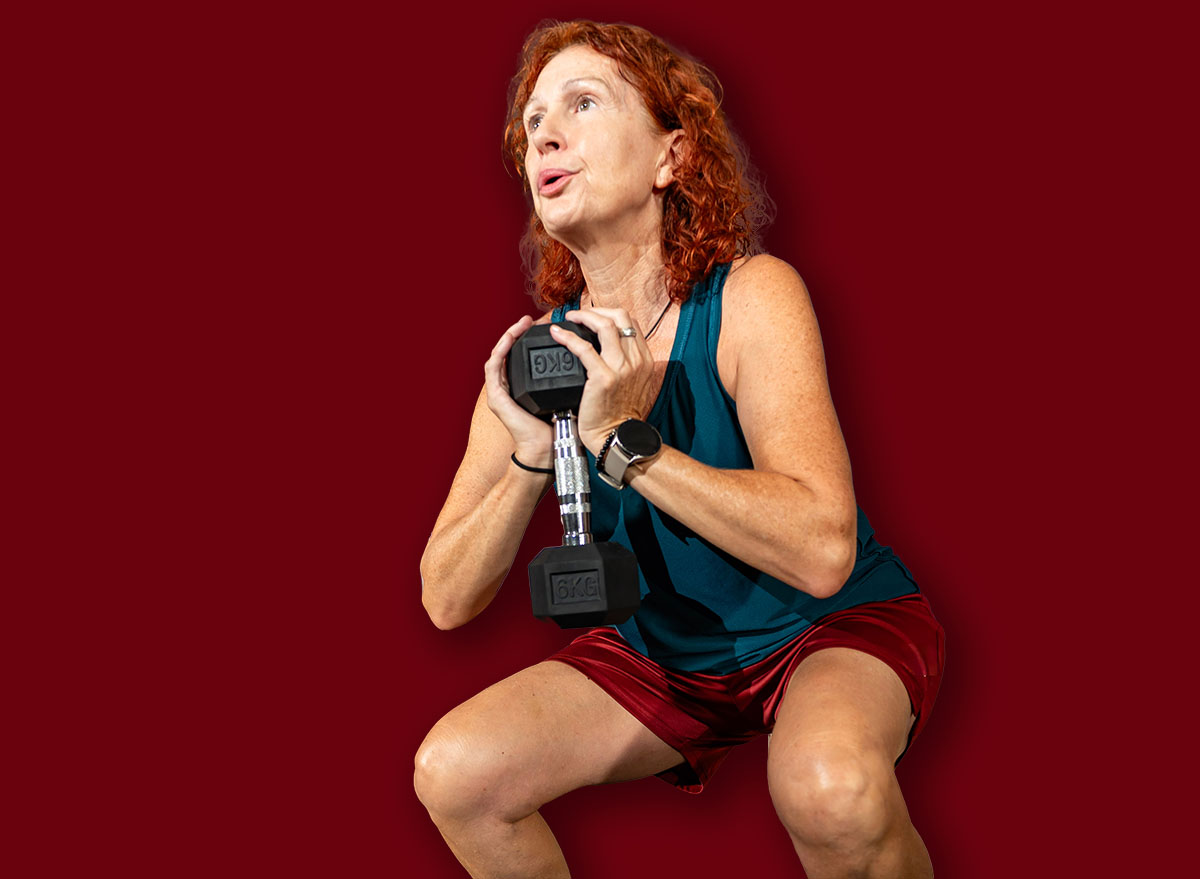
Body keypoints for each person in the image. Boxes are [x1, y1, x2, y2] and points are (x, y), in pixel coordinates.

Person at [415, 19, 945, 879]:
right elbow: (445, 597)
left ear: (672, 157)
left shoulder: (752, 298)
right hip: (660, 658)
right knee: (456, 773)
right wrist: (527, 458)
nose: (543, 133)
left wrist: (625, 444)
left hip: (822, 629)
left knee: (829, 787)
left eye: (582, 104)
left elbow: (821, 552)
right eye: (533, 122)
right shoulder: (534, 358)